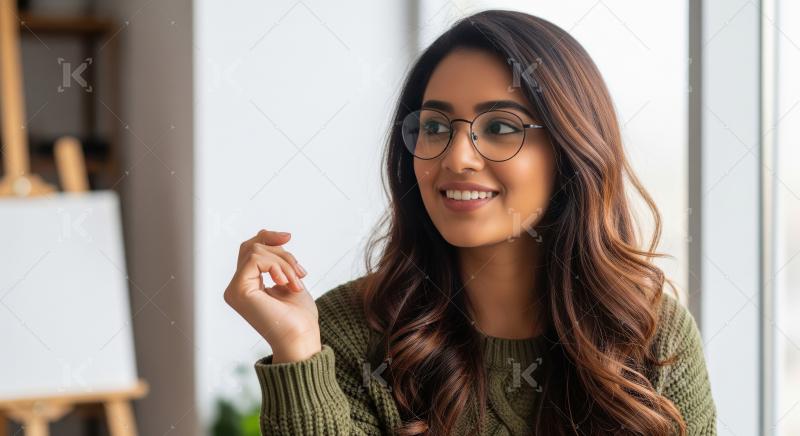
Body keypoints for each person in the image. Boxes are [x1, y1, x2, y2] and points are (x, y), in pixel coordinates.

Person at [224, 9, 717, 436]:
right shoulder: (343, 335)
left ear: (570, 150)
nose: (457, 157)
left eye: (500, 127)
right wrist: (296, 350)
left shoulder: (650, 334)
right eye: (435, 126)